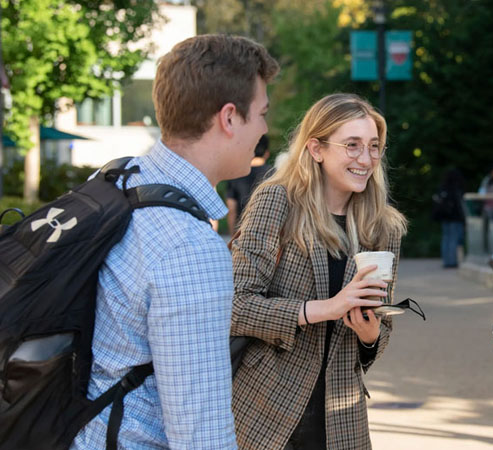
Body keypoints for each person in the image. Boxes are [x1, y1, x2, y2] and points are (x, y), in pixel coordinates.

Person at [73, 35, 279, 448]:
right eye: (261, 114)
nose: (265, 129)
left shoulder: (117, 179)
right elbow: (200, 433)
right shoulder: (189, 247)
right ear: (229, 118)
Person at [229, 93, 407, 449]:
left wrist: (370, 334)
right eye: (352, 145)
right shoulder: (277, 201)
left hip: (342, 417)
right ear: (316, 148)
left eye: (374, 146)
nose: (366, 158)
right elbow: (235, 306)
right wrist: (325, 309)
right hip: (265, 408)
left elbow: (381, 331)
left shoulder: (383, 226)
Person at [225, 134, 272, 235]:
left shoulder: (236, 174)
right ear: (267, 153)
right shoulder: (276, 175)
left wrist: (233, 235)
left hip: (242, 233)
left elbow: (231, 209)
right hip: (269, 234)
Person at [432, 168, 466, 268]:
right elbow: (459, 206)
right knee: (453, 239)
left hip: (444, 217)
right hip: (455, 218)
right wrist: (463, 218)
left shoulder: (443, 188)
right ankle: (452, 261)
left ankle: (446, 260)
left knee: (446, 238)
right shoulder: (456, 189)